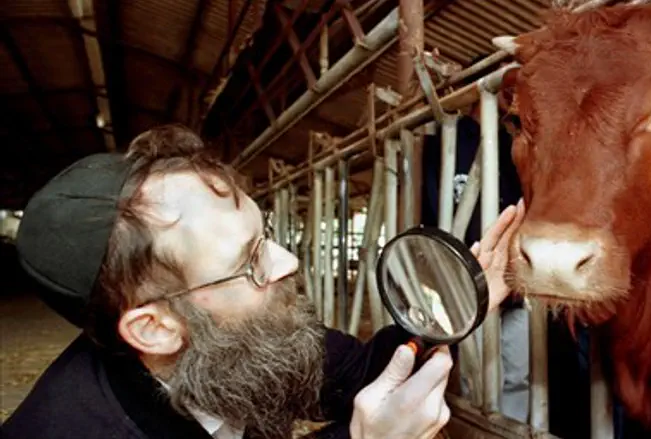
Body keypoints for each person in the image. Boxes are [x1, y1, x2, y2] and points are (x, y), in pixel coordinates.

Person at [3, 124, 526, 439]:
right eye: (250, 260)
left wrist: (454, 304)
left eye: (265, 235)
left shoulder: (238, 336)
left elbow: (365, 373)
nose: (288, 262)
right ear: (155, 328)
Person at [420, 54, 529, 423]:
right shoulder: (444, 142)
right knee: (476, 379)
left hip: (515, 282)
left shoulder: (516, 144)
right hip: (468, 282)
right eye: (503, 83)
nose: (512, 92)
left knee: (520, 374)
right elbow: (433, 214)